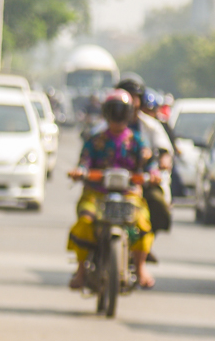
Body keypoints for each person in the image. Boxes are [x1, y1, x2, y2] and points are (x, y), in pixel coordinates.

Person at [67, 88, 156, 290]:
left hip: (129, 195)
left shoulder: (137, 141)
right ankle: (81, 271)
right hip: (96, 195)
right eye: (113, 112)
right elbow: (84, 162)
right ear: (106, 113)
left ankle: (140, 267)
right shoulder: (94, 140)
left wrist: (154, 174)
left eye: (121, 112)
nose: (118, 117)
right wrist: (80, 172)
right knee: (84, 222)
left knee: (142, 224)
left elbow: (148, 163)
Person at [117, 74, 173, 249]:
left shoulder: (149, 127)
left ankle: (143, 248)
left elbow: (164, 150)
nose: (130, 102)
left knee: (157, 206)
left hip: (141, 180)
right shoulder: (104, 129)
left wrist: (162, 163)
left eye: (134, 97)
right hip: (110, 181)